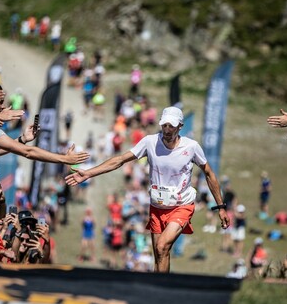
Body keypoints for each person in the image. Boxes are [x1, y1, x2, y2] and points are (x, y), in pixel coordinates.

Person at [66, 106, 229, 273]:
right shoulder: (150, 142)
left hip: (181, 205)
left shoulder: (192, 147)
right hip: (157, 206)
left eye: (171, 126)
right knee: (159, 254)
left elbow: (209, 173)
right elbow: (120, 160)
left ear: (180, 126)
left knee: (162, 246)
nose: (166, 129)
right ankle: (158, 291)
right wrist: (88, 173)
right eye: (164, 125)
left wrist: (221, 206)